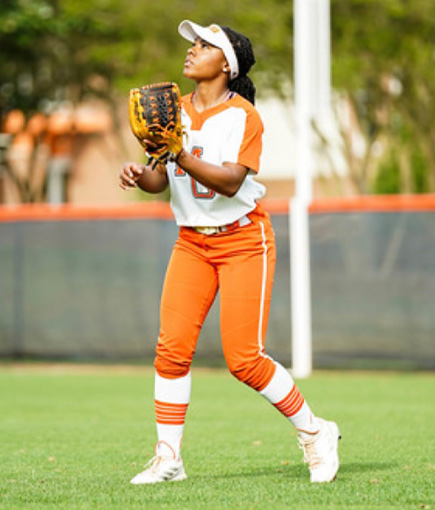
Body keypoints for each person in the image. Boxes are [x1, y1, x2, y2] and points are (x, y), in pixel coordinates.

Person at [119, 19, 340, 485]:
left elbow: (231, 181)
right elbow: (162, 179)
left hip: (243, 240)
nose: (192, 50)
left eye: (204, 46)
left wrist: (178, 153)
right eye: (193, 44)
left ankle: (315, 431)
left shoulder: (244, 116)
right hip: (192, 243)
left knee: (243, 359)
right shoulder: (172, 109)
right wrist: (142, 175)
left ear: (226, 63)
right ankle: (168, 458)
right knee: (171, 349)